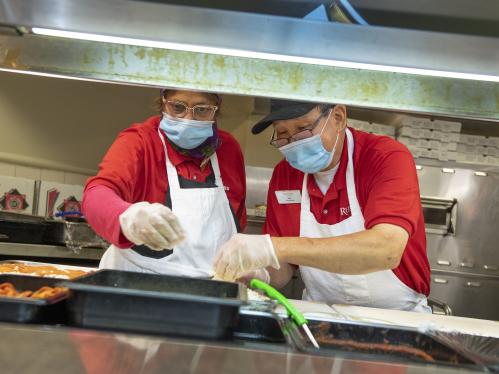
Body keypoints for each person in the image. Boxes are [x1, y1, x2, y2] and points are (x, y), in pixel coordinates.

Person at [214, 100, 431, 312]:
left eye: (303, 128)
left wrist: (273, 247)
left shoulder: (385, 157)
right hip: (319, 315)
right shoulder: (285, 175)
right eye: (282, 133)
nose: (293, 141)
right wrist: (261, 273)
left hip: (398, 317)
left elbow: (386, 250)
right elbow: (285, 266)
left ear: (338, 117)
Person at [83, 89, 246, 277]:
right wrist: (128, 217)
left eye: (202, 110)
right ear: (163, 103)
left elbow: (237, 218)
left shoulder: (229, 149)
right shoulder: (141, 141)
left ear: (217, 110)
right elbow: (96, 193)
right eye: (177, 107)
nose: (188, 119)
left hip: (212, 286)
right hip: (138, 283)